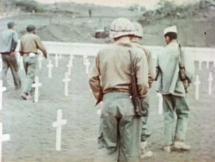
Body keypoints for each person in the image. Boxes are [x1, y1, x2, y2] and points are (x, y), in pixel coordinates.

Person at [89, 18, 149, 162]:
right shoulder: (138, 53)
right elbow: (143, 84)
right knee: (130, 150)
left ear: (113, 33)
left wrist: (102, 97)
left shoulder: (102, 52)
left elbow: (93, 79)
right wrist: (140, 99)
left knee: (108, 148)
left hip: (109, 102)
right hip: (130, 102)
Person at [156, 25, 194, 153]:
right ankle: (179, 141)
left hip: (164, 89)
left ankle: (167, 144)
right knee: (183, 113)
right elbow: (189, 72)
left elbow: (156, 72)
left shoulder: (161, 51)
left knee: (168, 115)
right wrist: (188, 81)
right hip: (177, 88)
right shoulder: (181, 50)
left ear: (167, 37)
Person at [130, 22, 156, 158]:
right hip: (141, 91)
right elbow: (152, 74)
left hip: (123, 91)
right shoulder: (146, 51)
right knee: (142, 119)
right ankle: (142, 149)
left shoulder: (123, 49)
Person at [20, 25, 47, 100]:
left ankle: (31, 88)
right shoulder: (35, 37)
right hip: (32, 56)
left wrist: (23, 55)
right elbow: (42, 48)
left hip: (25, 56)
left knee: (28, 74)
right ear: (33, 30)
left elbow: (20, 50)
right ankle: (25, 92)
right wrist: (45, 55)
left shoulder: (23, 37)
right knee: (30, 75)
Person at [0, 22, 21, 90]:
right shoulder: (13, 32)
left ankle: (3, 84)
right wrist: (12, 50)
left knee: (4, 70)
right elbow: (15, 41)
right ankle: (17, 85)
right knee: (14, 69)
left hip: (3, 53)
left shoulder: (2, 33)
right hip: (10, 53)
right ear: (13, 26)